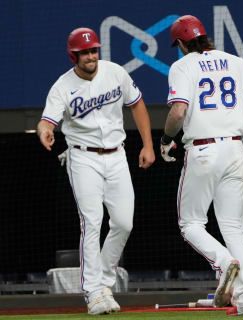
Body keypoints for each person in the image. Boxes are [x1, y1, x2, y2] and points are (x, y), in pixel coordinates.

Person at [160, 15, 243, 316]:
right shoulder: (233, 61)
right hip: (236, 150)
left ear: (182, 43)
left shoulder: (182, 66)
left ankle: (224, 263)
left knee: (191, 224)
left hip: (203, 150)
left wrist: (165, 139)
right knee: (233, 226)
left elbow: (177, 112)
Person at [37, 27, 155, 315]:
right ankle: (93, 292)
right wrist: (45, 130)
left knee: (124, 223)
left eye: (93, 50)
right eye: (84, 52)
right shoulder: (62, 86)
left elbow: (136, 104)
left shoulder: (115, 72)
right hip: (83, 159)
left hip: (117, 156)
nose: (91, 56)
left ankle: (103, 283)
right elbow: (46, 120)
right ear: (73, 55)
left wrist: (148, 145)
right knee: (92, 222)